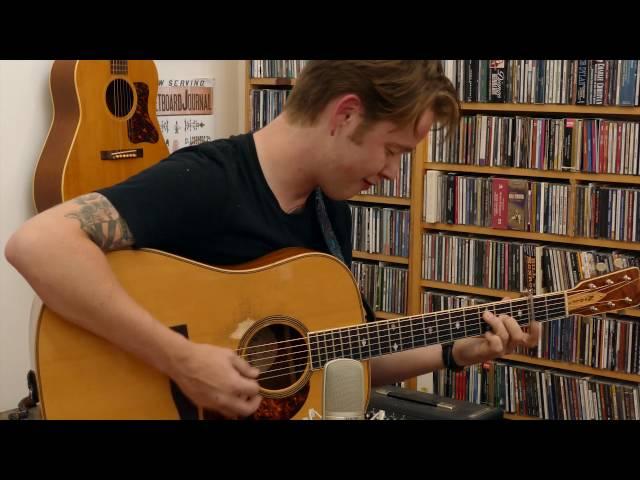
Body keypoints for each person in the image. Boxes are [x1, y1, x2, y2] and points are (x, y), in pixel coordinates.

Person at [5, 60, 540, 419]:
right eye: (393, 149)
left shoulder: (330, 210)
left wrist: (453, 352)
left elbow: (339, 355)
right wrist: (182, 360)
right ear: (345, 114)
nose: (394, 173)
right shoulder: (208, 180)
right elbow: (38, 244)